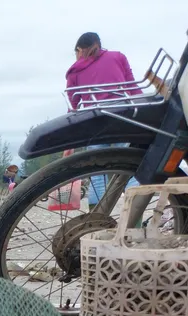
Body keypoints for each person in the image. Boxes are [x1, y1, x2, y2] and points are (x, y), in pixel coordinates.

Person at [65, 32, 139, 207]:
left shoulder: (74, 70)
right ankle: (134, 221)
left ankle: (96, 223)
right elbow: (133, 88)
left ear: (79, 50)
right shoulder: (118, 57)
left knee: (98, 175)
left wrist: (70, 143)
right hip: (123, 118)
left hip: (95, 122)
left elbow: (72, 108)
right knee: (131, 169)